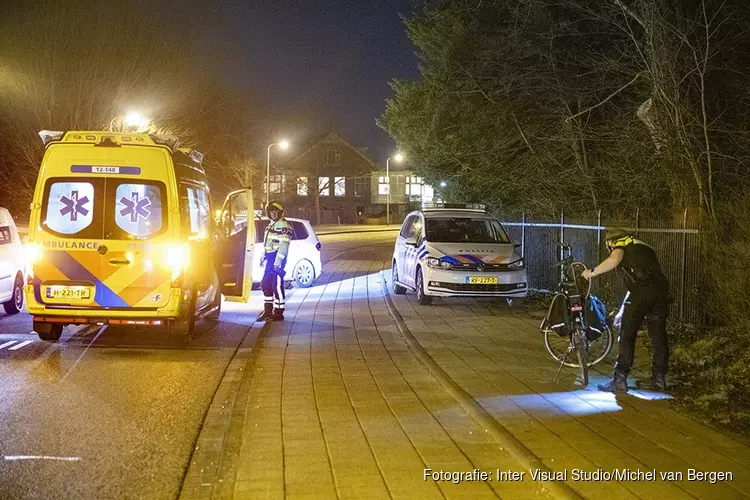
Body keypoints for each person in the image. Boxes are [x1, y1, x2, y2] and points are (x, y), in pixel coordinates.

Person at [581, 229, 670, 393]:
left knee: (627, 334)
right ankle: (659, 380)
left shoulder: (622, 242)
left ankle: (619, 379)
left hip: (643, 290)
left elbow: (615, 259)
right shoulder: (641, 246)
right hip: (660, 290)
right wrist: (623, 309)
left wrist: (591, 273)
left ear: (611, 242)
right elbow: (636, 283)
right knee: (658, 335)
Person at [257, 201, 292, 322]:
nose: (273, 214)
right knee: (265, 283)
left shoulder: (283, 225)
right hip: (270, 257)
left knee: (276, 285)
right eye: (271, 212)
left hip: (278, 258)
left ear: (280, 213)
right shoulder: (272, 224)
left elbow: (284, 245)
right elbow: (268, 243)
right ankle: (268, 311)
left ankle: (278, 312)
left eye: (276, 212)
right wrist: (264, 256)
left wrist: (278, 262)